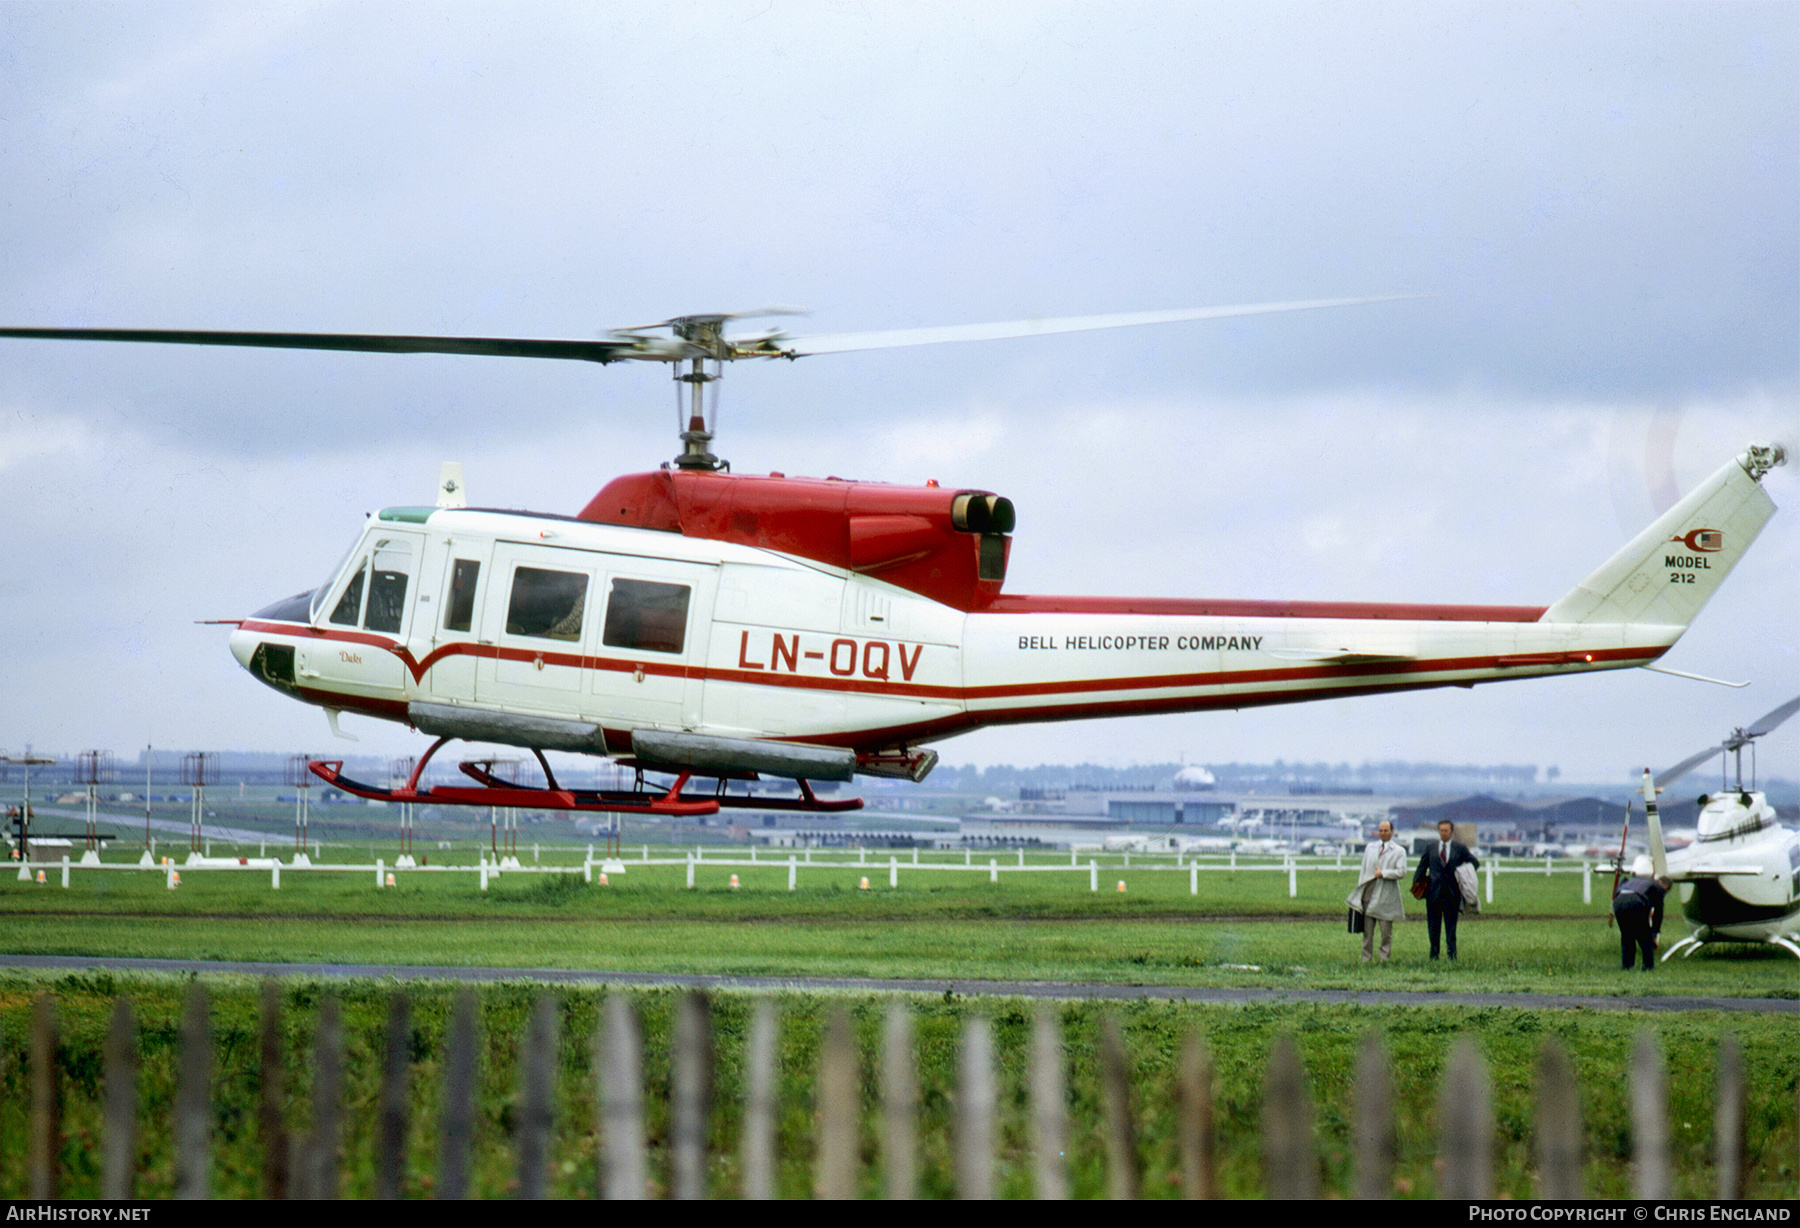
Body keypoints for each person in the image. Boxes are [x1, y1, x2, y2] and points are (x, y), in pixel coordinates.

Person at [1413, 819, 1479, 960]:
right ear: (1438, 831)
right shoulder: (1430, 847)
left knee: (1451, 928)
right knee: (1433, 927)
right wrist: (1416, 885)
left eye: (1446, 830)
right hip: (1433, 894)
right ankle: (1434, 955)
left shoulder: (1459, 848)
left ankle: (1452, 956)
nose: (1443, 833)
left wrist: (1464, 874)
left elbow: (1475, 863)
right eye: (1441, 830)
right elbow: (1422, 867)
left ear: (1451, 832)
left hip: (1452, 894)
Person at [1346, 819, 1405, 962]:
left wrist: (1384, 873)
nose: (1383, 833)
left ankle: (1384, 958)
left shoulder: (1399, 851)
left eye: (1386, 830)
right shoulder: (1370, 848)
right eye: (1380, 830)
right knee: (1367, 931)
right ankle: (1366, 958)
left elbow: (1401, 872)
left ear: (1392, 832)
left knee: (1385, 932)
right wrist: (1360, 890)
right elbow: (1364, 870)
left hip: (1386, 895)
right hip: (1368, 893)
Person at [1612, 862, 1672, 971]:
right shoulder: (1659, 887)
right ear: (1666, 887)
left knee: (1627, 936)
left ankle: (1627, 967)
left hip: (1618, 902)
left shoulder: (1636, 880)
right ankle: (1648, 967)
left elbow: (1618, 890)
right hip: (1636, 901)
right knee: (1645, 937)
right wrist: (1654, 933)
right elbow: (1658, 913)